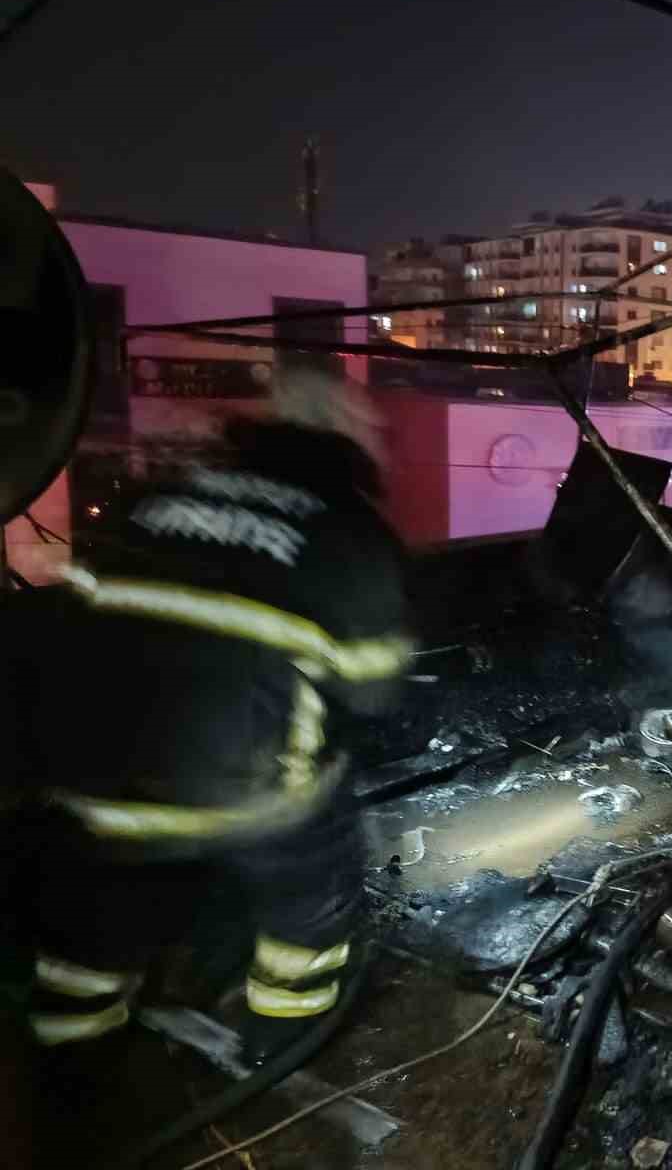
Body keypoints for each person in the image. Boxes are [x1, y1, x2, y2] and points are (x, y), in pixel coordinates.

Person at [6, 362, 412, 1062]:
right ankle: (283, 1042)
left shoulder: (159, 495)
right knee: (311, 899)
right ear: (352, 444)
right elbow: (375, 687)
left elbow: (73, 620)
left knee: (92, 930)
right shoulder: (348, 532)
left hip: (94, 781)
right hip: (245, 798)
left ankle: (72, 1069)